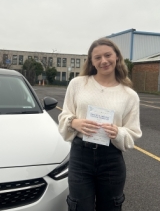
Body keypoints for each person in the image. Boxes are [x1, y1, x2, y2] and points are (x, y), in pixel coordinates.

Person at [58, 37, 142, 211]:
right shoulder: (78, 84)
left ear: (117, 57)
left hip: (111, 158)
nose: (103, 61)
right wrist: (74, 122)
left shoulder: (129, 95)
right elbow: (64, 114)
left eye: (107, 55)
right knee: (80, 206)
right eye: (97, 57)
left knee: (111, 207)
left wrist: (118, 132)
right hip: (81, 156)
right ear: (92, 62)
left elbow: (133, 132)